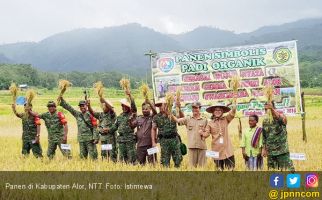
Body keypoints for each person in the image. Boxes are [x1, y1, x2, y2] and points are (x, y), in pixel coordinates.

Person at [202, 98, 237, 170]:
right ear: (213, 112)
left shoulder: (226, 119)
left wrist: (234, 102)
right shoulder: (210, 123)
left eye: (220, 110)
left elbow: (233, 112)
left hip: (228, 150)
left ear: (222, 111)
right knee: (219, 171)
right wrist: (202, 133)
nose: (218, 111)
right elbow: (206, 134)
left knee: (231, 170)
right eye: (216, 110)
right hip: (216, 151)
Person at [172, 102, 208, 168]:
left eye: (196, 108)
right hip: (192, 147)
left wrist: (203, 134)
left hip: (202, 147)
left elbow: (208, 133)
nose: (194, 109)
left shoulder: (205, 120)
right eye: (193, 107)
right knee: (192, 168)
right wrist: (169, 113)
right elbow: (177, 120)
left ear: (200, 108)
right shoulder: (188, 119)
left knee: (203, 168)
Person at [262, 102, 295, 171]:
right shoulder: (265, 121)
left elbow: (282, 121)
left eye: (267, 109)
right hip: (271, 152)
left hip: (282, 151)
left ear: (274, 108)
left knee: (289, 172)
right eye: (265, 109)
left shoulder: (282, 116)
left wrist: (272, 109)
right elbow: (264, 135)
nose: (266, 111)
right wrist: (264, 148)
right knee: (273, 175)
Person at [151, 99, 184, 168]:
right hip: (164, 141)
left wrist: (179, 109)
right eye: (159, 105)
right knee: (165, 162)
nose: (160, 107)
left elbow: (181, 120)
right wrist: (153, 142)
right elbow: (153, 129)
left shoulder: (173, 113)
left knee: (178, 160)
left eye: (162, 105)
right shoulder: (156, 117)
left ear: (166, 105)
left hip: (174, 140)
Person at [109, 90, 137, 164]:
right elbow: (114, 127)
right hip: (121, 141)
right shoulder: (120, 116)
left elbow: (134, 106)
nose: (124, 107)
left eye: (125, 106)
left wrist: (130, 95)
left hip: (130, 140)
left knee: (131, 159)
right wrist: (107, 130)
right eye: (122, 105)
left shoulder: (132, 114)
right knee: (122, 160)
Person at [88, 97, 117, 162]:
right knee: (104, 155)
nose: (103, 107)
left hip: (111, 138)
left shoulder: (112, 114)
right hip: (103, 138)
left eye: (105, 106)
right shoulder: (101, 114)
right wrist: (89, 106)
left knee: (112, 155)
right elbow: (92, 112)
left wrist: (103, 100)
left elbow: (112, 109)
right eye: (103, 106)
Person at [130, 99, 157, 165]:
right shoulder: (138, 118)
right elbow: (132, 126)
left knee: (152, 164)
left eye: (146, 109)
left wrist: (150, 103)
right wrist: (130, 120)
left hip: (150, 145)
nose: (144, 110)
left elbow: (155, 112)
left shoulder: (152, 117)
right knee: (140, 164)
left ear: (150, 109)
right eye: (143, 109)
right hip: (140, 145)